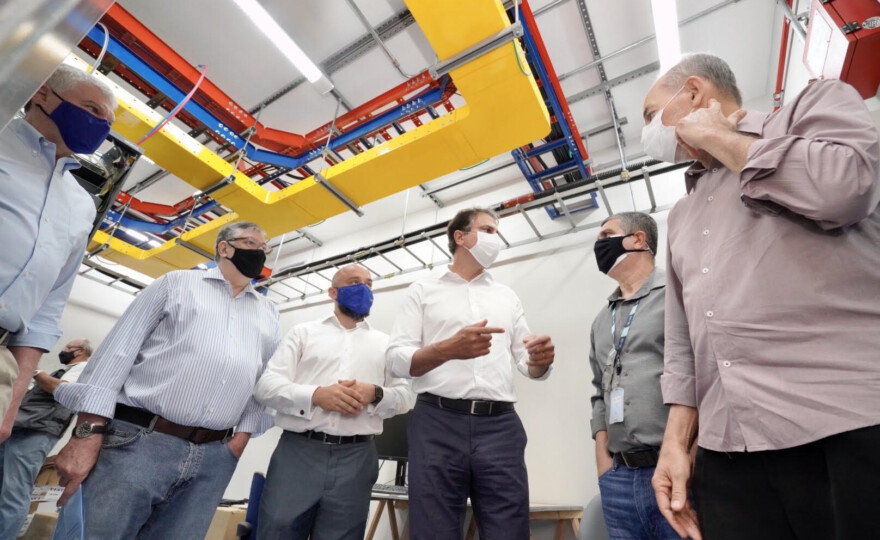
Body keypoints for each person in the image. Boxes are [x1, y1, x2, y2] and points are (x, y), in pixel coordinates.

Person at [641, 53, 880, 540]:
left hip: (846, 426)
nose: (647, 133)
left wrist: (721, 139)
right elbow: (685, 342)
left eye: (650, 116)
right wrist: (675, 446)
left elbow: (846, 188)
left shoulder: (811, 109)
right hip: (731, 454)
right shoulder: (681, 217)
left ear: (693, 92)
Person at [52, 221, 281, 540]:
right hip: (139, 441)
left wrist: (238, 442)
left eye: (264, 248)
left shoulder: (269, 312)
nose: (260, 252)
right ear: (224, 247)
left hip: (213, 457)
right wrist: (86, 433)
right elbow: (117, 354)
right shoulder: (176, 284)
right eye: (251, 243)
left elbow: (263, 379)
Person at [386, 207, 556, 540]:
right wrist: (446, 350)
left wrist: (541, 360)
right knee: (434, 529)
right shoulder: (422, 290)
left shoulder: (506, 296)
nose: (495, 238)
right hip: (437, 422)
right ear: (460, 237)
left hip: (500, 426)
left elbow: (527, 363)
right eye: (488, 230)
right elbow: (395, 360)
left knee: (509, 529)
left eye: (497, 232)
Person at [253, 264, 415, 540]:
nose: (363, 288)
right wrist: (316, 395)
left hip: (357, 457)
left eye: (369, 283)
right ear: (332, 292)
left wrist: (375, 393)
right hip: (298, 452)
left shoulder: (386, 344)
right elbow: (266, 387)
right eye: (354, 282)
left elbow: (406, 397)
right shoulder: (303, 333)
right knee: (278, 530)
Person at [0, 64, 116, 443]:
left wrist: (16, 387)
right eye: (92, 109)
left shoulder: (82, 205)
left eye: (107, 120)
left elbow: (49, 303)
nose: (101, 124)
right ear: (43, 94)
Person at [588, 212, 680, 540]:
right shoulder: (602, 320)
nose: (599, 245)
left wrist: (691, 456)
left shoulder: (677, 296)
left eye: (606, 235)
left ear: (638, 240)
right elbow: (599, 390)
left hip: (676, 471)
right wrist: (604, 464)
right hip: (619, 478)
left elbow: (703, 377)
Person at [0, 339, 91, 538]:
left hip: (36, 432)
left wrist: (35, 370)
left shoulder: (83, 368)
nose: (64, 350)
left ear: (81, 351)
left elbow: (59, 389)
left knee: (14, 493)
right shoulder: (67, 369)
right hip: (21, 429)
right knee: (5, 491)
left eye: (69, 348)